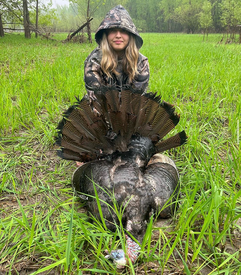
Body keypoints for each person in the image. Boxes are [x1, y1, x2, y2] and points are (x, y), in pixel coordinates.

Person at [84, 5, 150, 101]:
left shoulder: (141, 62)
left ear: (130, 35)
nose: (118, 36)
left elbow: (137, 100)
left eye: (123, 31)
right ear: (106, 35)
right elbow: (97, 99)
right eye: (113, 30)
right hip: (103, 110)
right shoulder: (94, 61)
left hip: (131, 111)